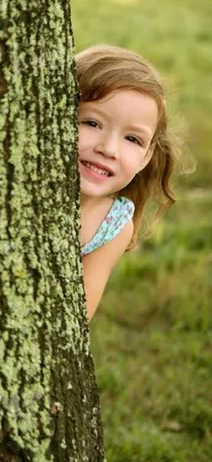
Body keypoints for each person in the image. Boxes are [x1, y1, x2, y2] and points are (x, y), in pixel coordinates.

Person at [76, 45, 179, 322]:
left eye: (132, 139)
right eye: (92, 123)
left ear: (146, 157)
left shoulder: (114, 223)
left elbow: (78, 314)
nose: (109, 149)